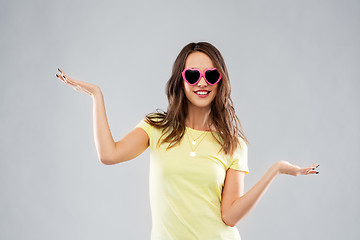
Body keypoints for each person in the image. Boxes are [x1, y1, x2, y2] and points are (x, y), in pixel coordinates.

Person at [55, 42, 320, 240]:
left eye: (211, 75)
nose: (202, 83)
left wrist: (275, 170)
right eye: (193, 75)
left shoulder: (233, 144)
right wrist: (96, 96)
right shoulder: (156, 128)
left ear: (220, 81)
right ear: (181, 81)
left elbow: (229, 216)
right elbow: (109, 154)